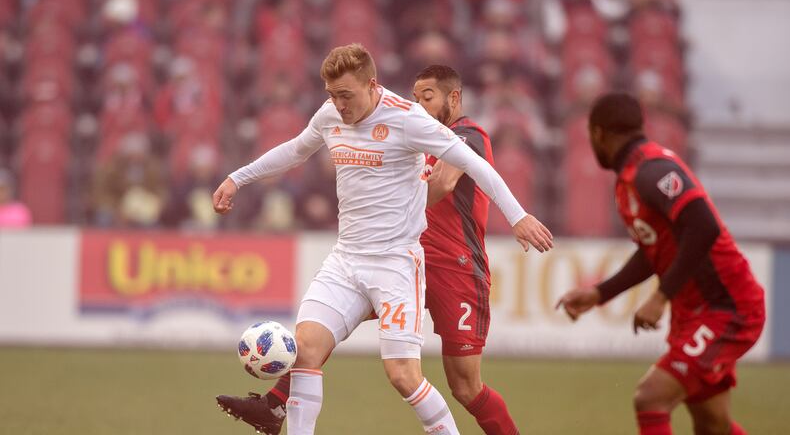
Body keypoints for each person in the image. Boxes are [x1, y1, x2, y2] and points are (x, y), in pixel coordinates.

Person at [213, 44, 553, 435]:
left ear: (372, 85)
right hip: (345, 260)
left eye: (346, 95)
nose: (338, 104)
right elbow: (295, 151)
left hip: (395, 264)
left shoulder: (407, 120)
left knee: (404, 376)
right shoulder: (329, 115)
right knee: (305, 348)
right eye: (332, 95)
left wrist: (518, 215)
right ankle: (279, 416)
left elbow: (471, 163)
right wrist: (237, 178)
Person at [556, 93, 764, 435]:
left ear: (597, 134)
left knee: (650, 397)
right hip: (696, 312)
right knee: (713, 425)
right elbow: (654, 252)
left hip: (727, 307)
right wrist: (599, 294)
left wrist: (660, 296)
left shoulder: (652, 170)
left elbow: (704, 226)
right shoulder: (631, 178)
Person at [414, 65, 521, 434]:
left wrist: (394, 212)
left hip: (457, 269)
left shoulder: (469, 136)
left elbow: (442, 183)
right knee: (338, 315)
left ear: (453, 98)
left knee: (465, 387)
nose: (419, 106)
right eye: (415, 99)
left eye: (427, 97)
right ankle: (278, 403)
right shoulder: (420, 141)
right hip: (412, 262)